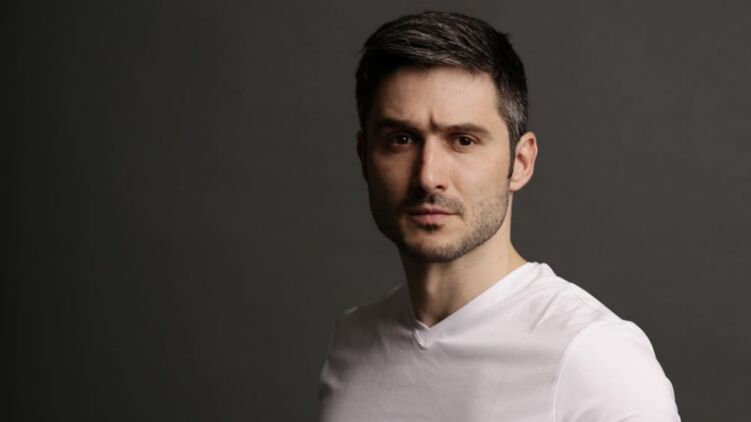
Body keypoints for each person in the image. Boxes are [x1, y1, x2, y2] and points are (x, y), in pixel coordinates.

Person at [318, 11, 680, 422]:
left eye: (463, 140)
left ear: (520, 162)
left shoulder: (594, 358)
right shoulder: (352, 342)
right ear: (364, 157)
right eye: (401, 139)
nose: (428, 176)